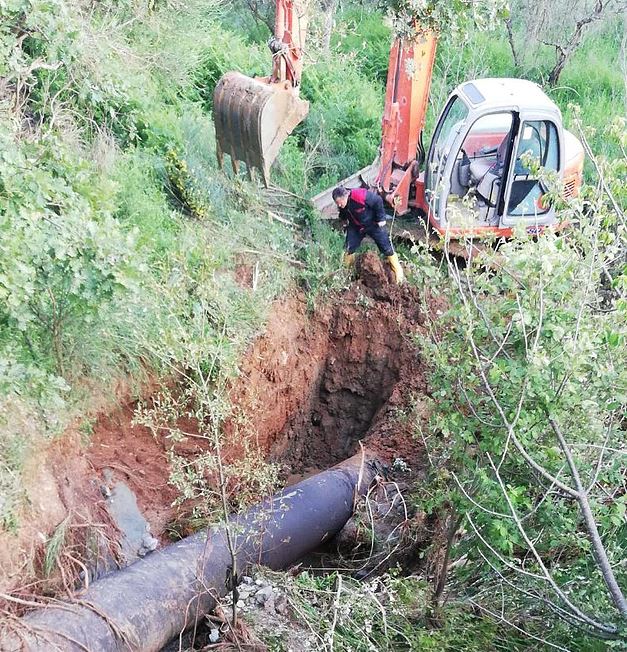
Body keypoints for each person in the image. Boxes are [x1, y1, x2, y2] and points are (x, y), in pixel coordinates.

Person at [332, 186, 404, 284]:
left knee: (386, 247)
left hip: (373, 224)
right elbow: (343, 212)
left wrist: (381, 218)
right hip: (356, 226)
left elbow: (378, 201)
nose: (339, 205)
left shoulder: (359, 195)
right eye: (337, 203)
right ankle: (348, 273)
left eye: (340, 202)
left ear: (346, 196)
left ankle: (398, 274)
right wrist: (344, 221)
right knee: (349, 248)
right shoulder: (343, 205)